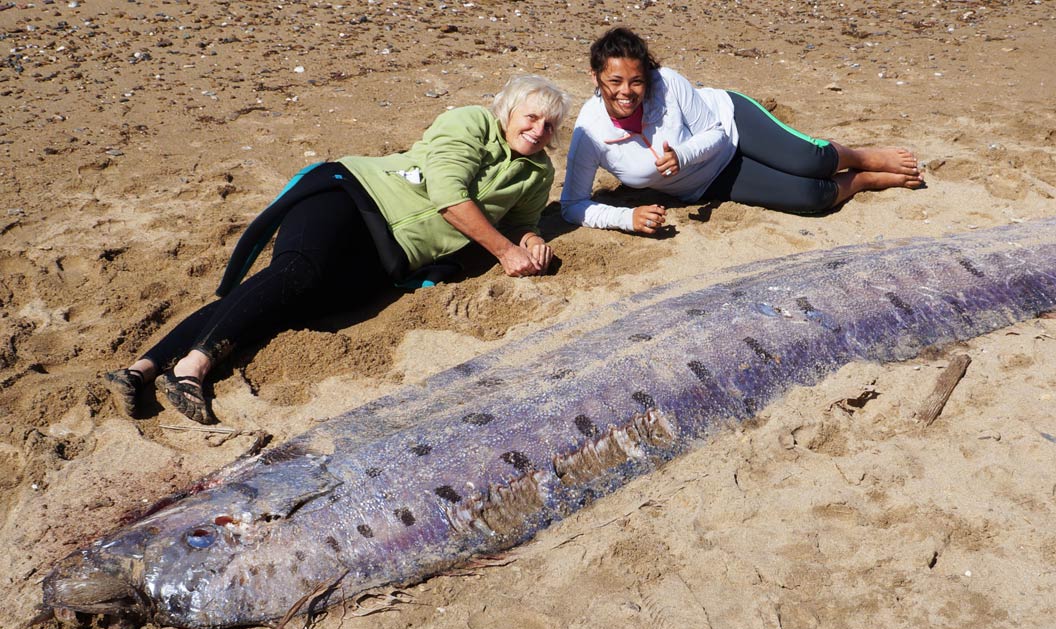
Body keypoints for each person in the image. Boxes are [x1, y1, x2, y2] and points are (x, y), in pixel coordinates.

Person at [104, 75, 571, 425]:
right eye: (530, 116)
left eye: (549, 125)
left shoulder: (537, 174)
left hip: (393, 252)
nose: (537, 129)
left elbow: (521, 223)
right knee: (297, 272)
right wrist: (506, 252)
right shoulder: (470, 122)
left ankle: (140, 370)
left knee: (290, 298)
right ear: (507, 111)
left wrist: (529, 241)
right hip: (356, 196)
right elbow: (449, 194)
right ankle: (192, 368)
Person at [561, 27, 924, 234]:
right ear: (595, 78)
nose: (627, 92)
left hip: (733, 124)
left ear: (648, 76)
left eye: (637, 81)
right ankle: (863, 180)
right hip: (708, 183)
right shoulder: (589, 132)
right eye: (615, 81)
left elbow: (716, 132)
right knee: (811, 199)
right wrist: (627, 218)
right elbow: (572, 206)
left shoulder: (667, 83)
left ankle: (862, 156)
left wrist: (682, 155)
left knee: (810, 160)